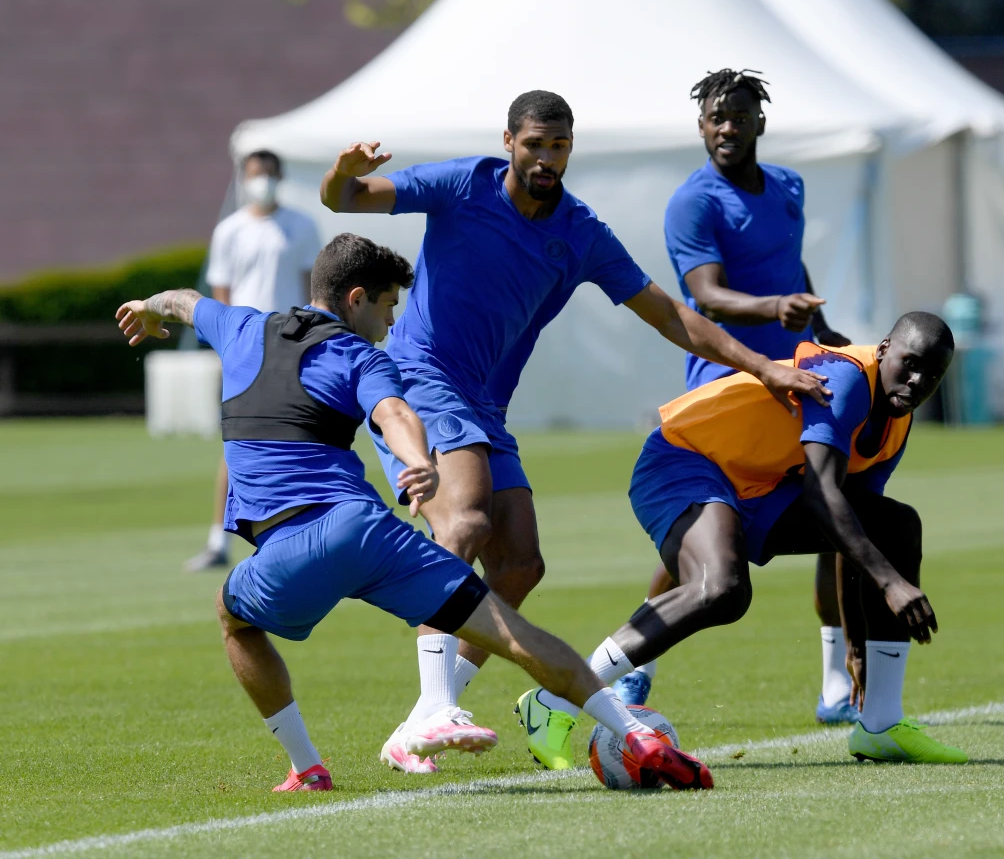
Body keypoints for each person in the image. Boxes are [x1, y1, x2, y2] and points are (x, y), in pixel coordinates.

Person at [319, 90, 830, 774]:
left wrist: (764, 367)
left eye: (559, 146)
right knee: (465, 522)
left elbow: (670, 315)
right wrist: (340, 172)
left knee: (520, 564)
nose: (547, 158)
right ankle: (436, 703)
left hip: (484, 405)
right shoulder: (460, 185)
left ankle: (420, 718)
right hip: (421, 380)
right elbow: (346, 198)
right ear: (509, 141)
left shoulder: (579, 231)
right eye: (535, 144)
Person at [114, 233, 712, 793]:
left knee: (233, 619)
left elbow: (185, 301)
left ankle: (308, 768)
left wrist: (147, 307)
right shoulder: (362, 359)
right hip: (370, 531)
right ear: (356, 299)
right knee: (515, 634)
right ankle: (636, 736)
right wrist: (416, 458)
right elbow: (396, 413)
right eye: (388, 306)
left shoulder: (241, 325)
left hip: (295, 543)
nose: (392, 321)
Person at [516, 313, 971, 768]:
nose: (916, 381)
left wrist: (856, 645)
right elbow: (821, 495)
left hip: (759, 486)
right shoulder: (849, 378)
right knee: (722, 590)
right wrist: (892, 585)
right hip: (685, 460)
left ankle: (881, 725)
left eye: (932, 375)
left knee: (897, 525)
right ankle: (556, 698)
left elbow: (851, 527)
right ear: (886, 347)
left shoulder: (896, 419)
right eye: (909, 363)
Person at [614, 69, 857, 723]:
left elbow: (789, 263)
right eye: (715, 117)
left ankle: (836, 682)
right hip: (728, 389)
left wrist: (821, 329)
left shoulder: (787, 187)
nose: (726, 128)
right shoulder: (693, 202)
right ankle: (637, 665)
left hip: (801, 379)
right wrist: (776, 307)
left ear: (759, 123)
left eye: (738, 116)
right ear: (701, 126)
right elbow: (708, 294)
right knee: (702, 534)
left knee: (840, 504)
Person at [187, 150, 323, 572]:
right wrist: (226, 348)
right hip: (244, 348)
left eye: (268, 174)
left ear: (280, 177)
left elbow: (309, 289)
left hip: (290, 345)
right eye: (254, 174)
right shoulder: (230, 230)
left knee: (300, 439)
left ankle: (300, 534)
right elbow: (221, 296)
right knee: (236, 444)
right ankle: (219, 540)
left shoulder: (302, 225)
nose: (261, 181)